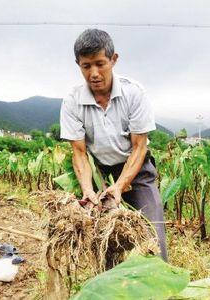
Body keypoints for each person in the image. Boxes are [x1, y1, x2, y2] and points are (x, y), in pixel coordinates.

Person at [60, 28, 167, 261]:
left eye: (100, 64)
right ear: (78, 64)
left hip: (135, 171)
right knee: (105, 241)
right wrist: (88, 190)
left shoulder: (134, 93)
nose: (94, 73)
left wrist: (120, 186)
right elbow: (79, 152)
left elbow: (139, 147)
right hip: (99, 173)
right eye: (86, 66)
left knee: (152, 236)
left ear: (113, 59)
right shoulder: (72, 101)